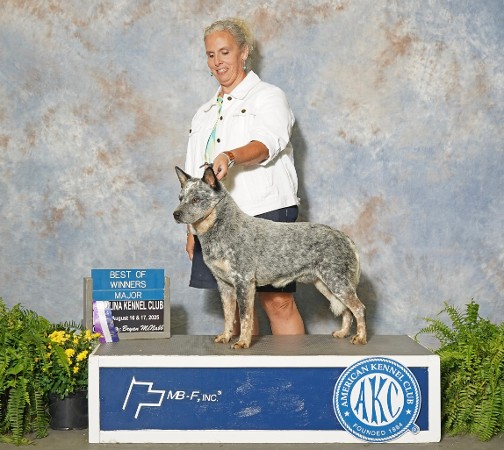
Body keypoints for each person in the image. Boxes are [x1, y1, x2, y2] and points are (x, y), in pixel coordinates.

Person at [184, 17, 305, 336]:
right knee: (233, 302)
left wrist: (230, 155)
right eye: (211, 55)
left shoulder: (268, 96)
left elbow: (267, 144)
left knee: (277, 301)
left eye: (224, 52)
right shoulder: (203, 113)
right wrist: (191, 229)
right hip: (214, 222)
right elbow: (194, 176)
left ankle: (295, 369)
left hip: (265, 210)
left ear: (244, 52)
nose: (217, 61)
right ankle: (240, 369)